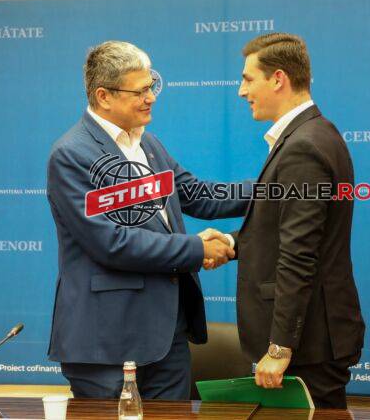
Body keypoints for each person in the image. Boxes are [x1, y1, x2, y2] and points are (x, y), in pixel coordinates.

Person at [46, 40, 247, 399]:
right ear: (104, 96)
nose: (151, 97)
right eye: (139, 92)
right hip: (108, 342)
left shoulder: (147, 144)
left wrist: (275, 188)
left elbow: (197, 194)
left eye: (151, 87)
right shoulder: (71, 154)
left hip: (167, 337)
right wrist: (197, 248)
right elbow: (111, 242)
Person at [202, 33, 365, 409]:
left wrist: (280, 347)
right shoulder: (311, 135)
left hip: (308, 346)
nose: (242, 91)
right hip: (312, 340)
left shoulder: (303, 146)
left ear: (278, 79)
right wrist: (232, 243)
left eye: (248, 79)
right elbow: (284, 229)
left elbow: (299, 254)